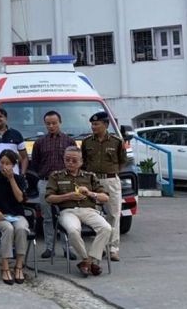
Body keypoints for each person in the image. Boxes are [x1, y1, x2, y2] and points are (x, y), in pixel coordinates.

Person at [46, 147, 111, 277]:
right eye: (67, 160)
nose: (70, 163)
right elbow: (49, 198)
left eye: (74, 160)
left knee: (106, 228)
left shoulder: (90, 176)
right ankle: (87, 260)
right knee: (73, 230)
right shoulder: (56, 176)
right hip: (67, 211)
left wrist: (90, 193)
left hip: (88, 210)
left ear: (81, 162)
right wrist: (68, 196)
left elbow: (105, 197)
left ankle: (89, 261)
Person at [31, 110, 78, 259]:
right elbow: (36, 163)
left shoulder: (69, 142)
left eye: (54, 123)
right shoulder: (39, 142)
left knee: (66, 215)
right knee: (47, 217)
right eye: (48, 123)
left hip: (65, 183)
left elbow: (75, 161)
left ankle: (68, 248)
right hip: (45, 182)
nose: (51, 126)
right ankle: (49, 247)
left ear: (60, 123)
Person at [81, 111, 127, 262]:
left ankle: (113, 249)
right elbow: (85, 161)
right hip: (93, 181)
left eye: (96, 124)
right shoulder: (87, 142)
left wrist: (112, 174)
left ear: (105, 125)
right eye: (92, 124)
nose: (93, 127)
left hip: (111, 180)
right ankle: (100, 248)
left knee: (113, 214)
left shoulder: (116, 141)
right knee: (96, 215)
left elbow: (122, 161)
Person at [0, 150, 30, 285]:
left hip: (16, 214)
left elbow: (20, 198)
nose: (4, 166)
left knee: (21, 228)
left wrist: (11, 179)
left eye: (7, 163)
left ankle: (19, 265)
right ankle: (5, 266)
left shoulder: (19, 179)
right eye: (2, 163)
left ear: (13, 165)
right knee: (8, 229)